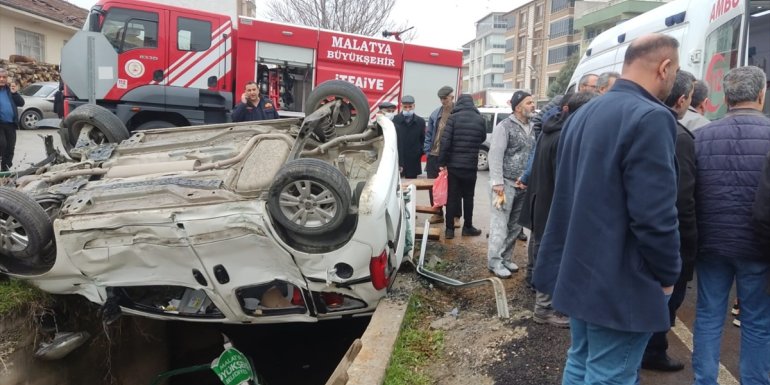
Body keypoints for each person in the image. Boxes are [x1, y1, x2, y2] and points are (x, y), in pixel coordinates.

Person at [534, 34, 681, 385]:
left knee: (581, 362)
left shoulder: (585, 114)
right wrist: (668, 273)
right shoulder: (651, 118)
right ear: (664, 67)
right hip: (621, 280)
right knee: (609, 375)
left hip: (580, 271)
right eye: (674, 71)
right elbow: (655, 215)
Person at [691, 65, 770, 385]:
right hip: (758, 247)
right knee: (757, 321)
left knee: (709, 316)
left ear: (725, 96)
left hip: (711, 244)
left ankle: (704, 380)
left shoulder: (700, 136)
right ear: (762, 94)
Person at [524, 90, 598, 328]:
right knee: (551, 252)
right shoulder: (564, 137)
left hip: (540, 199)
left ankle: (541, 295)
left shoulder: (550, 129)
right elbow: (565, 180)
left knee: (540, 249)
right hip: (552, 204)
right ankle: (543, 309)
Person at [641, 70, 699, 372]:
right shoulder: (677, 136)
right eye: (690, 97)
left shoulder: (642, 122)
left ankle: (653, 349)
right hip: (669, 241)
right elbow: (682, 202)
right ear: (681, 100)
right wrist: (689, 249)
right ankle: (651, 352)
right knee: (665, 301)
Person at [486, 90, 536, 278]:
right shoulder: (504, 127)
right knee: (500, 224)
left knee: (515, 225)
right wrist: (497, 182)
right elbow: (495, 155)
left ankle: (506, 257)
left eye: (533, 102)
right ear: (517, 107)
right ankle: (494, 261)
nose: (533, 105)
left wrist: (526, 178)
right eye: (529, 102)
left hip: (522, 185)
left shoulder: (532, 127)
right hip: (504, 184)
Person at [437, 94, 486, 239]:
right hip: (470, 166)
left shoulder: (453, 118)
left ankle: (449, 230)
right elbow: (482, 137)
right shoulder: (480, 119)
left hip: (454, 166)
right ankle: (468, 227)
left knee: (452, 197)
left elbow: (445, 142)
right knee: (469, 197)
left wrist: (442, 162)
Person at [425, 86, 457, 225]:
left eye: (445, 98)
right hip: (434, 155)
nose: (443, 101)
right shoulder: (435, 114)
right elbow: (429, 134)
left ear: (452, 97)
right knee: (433, 186)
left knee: (453, 187)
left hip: (450, 157)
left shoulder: (457, 113)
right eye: (441, 99)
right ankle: (437, 213)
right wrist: (428, 150)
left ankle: (455, 216)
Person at [393, 95, 425, 179]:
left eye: (410, 107)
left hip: (413, 160)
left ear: (414, 106)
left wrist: (419, 152)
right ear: (401, 106)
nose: (408, 109)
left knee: (411, 185)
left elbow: (423, 139)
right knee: (397, 186)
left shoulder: (420, 122)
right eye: (405, 107)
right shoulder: (395, 120)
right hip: (399, 159)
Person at [0, 68, 24, 171]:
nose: (2, 79)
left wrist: (14, 93)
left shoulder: (9, 90)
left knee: (10, 148)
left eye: (4, 77)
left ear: (7, 78)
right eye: (0, 77)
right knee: (3, 145)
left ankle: (5, 170)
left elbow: (21, 103)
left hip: (11, 124)